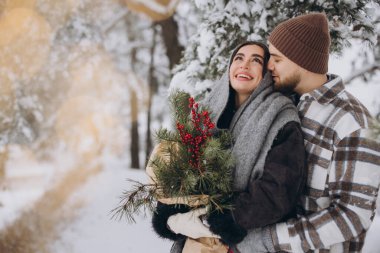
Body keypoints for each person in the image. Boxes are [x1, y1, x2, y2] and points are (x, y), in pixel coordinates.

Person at [235, 12, 380, 253]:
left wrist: (269, 240)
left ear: (302, 61)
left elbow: (352, 216)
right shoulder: (281, 105)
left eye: (277, 60)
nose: (269, 65)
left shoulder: (353, 124)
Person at [150, 41, 307, 253]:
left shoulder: (281, 115)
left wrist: (229, 216)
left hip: (250, 243)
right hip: (195, 244)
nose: (244, 65)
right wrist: (170, 213)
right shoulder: (204, 113)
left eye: (256, 61)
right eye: (239, 58)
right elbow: (179, 173)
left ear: (267, 72)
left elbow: (279, 189)